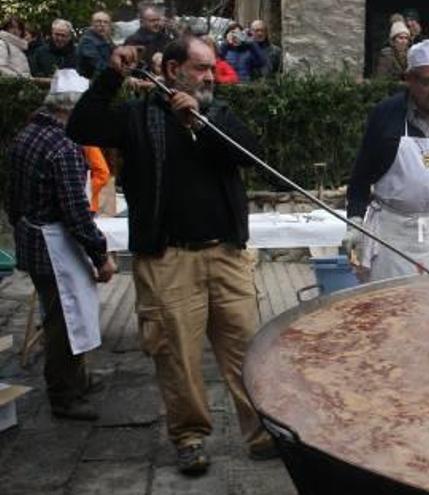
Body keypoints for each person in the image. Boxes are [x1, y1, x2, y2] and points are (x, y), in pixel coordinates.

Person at [67, 37, 277, 474]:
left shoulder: (218, 116)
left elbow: (250, 155)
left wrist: (198, 123)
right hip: (169, 260)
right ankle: (189, 437)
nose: (208, 77)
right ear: (173, 71)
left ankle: (260, 433)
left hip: (226, 256)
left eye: (211, 69)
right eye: (200, 69)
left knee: (246, 350)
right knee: (177, 356)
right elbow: (81, 127)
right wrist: (111, 76)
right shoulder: (138, 118)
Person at [6, 69, 115, 421]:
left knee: (62, 316)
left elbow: (10, 196)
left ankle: (77, 379)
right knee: (64, 322)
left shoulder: (27, 134)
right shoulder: (65, 147)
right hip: (54, 244)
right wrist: (100, 254)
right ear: (71, 108)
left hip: (34, 236)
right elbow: (75, 212)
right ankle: (65, 396)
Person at [344, 39, 429, 282]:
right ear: (409, 79)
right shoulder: (385, 115)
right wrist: (355, 220)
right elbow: (361, 176)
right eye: (428, 81)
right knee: (391, 310)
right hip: (394, 236)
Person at [77, 11, 115, 79]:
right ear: (91, 24)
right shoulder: (87, 41)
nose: (102, 25)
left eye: (105, 22)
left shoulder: (106, 40)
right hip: (89, 82)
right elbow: (98, 65)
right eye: (98, 21)